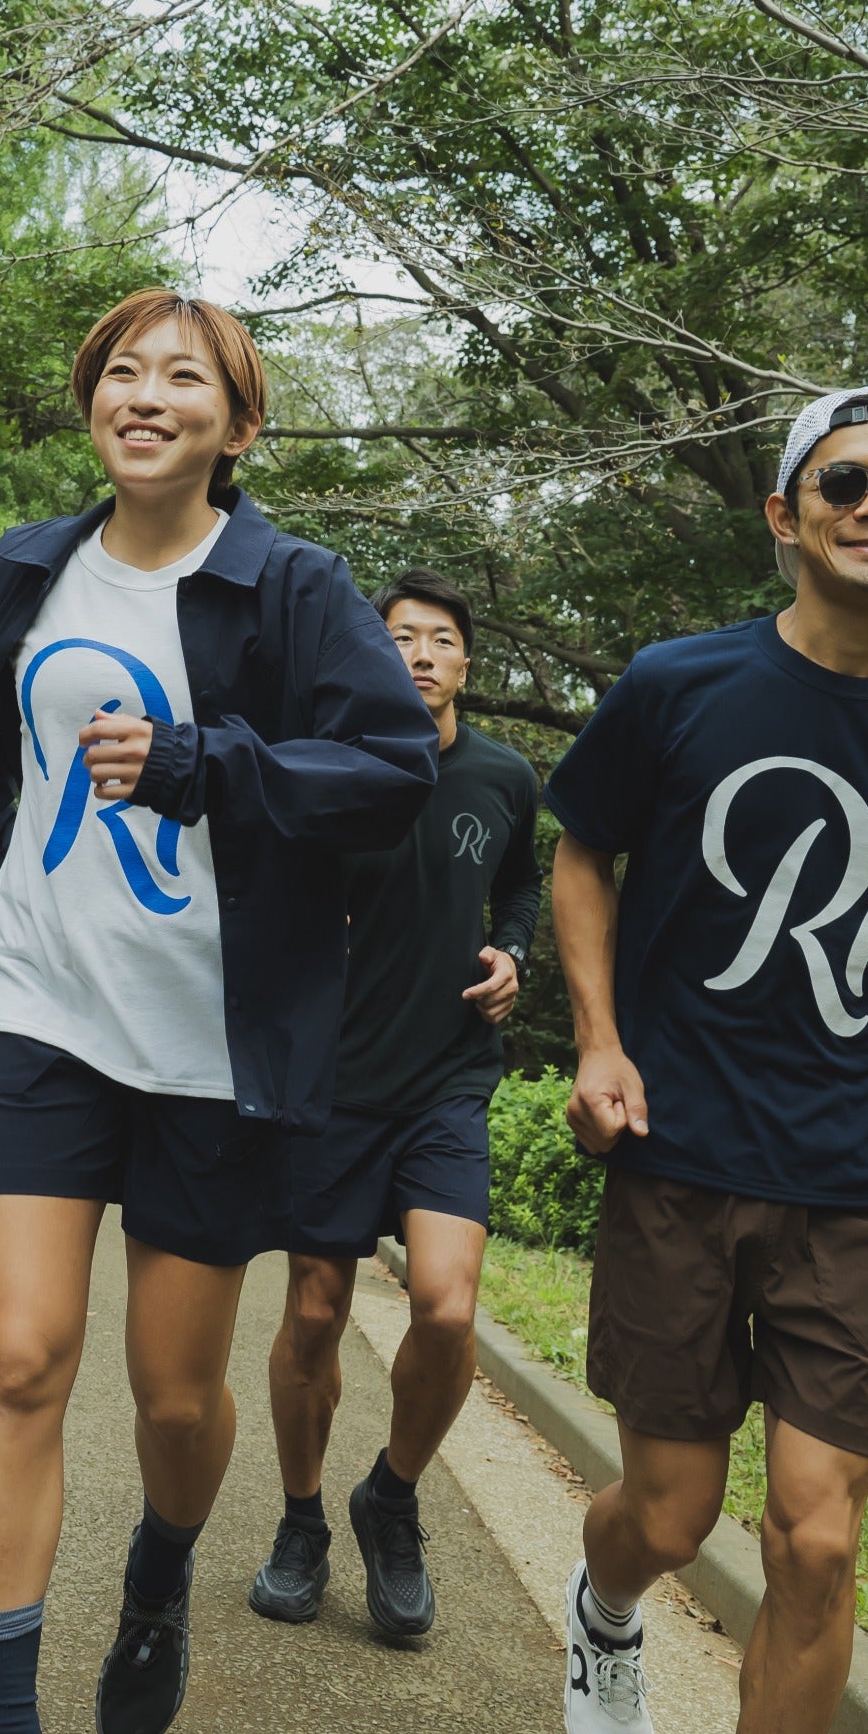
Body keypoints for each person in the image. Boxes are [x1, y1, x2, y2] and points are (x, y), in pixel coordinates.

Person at [0, 290, 438, 1734]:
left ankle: (161, 1567)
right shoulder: (23, 572)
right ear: (91, 406)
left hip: (210, 1044)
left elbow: (391, 770)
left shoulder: (294, 588)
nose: (143, 395)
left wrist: (208, 764)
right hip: (45, 1007)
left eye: (183, 377)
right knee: (21, 1358)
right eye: (120, 372)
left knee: (176, 1401)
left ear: (237, 425)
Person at [543, 387, 868, 1734]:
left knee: (815, 1537)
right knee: (670, 1514)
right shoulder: (678, 684)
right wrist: (598, 1042)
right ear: (785, 514)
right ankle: (606, 1609)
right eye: (843, 483)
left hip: (867, 1171)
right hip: (680, 1152)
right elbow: (582, 852)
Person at [250, 567, 539, 1635]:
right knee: (314, 1312)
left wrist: (513, 951)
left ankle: (393, 1496)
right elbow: (263, 883)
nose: (420, 653)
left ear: (466, 662)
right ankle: (300, 1521)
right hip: (333, 1081)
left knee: (448, 1307)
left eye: (441, 638)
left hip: (445, 1079)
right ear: (369, 656)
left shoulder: (504, 777)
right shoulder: (331, 768)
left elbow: (519, 882)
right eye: (400, 637)